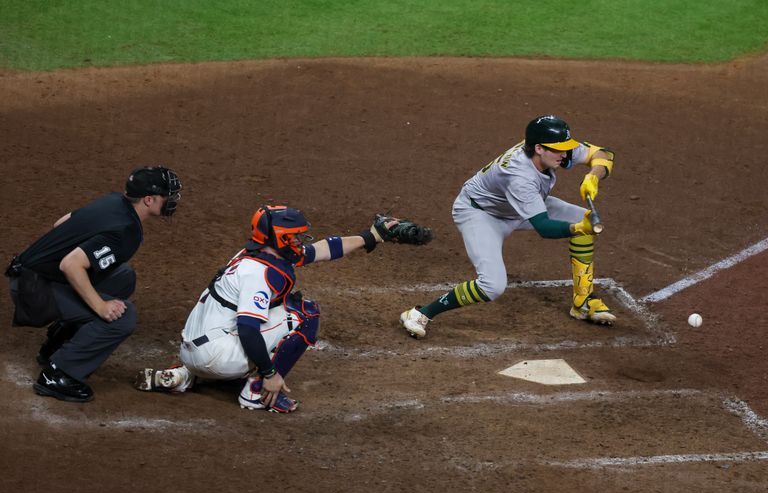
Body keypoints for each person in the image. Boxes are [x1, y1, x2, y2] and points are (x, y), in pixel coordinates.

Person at [135, 206, 405, 413]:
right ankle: (255, 392)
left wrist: (372, 236)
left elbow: (322, 249)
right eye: (296, 236)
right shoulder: (261, 273)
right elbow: (248, 330)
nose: (301, 240)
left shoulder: (253, 254)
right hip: (217, 357)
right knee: (306, 313)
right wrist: (270, 374)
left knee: (251, 313)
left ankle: (184, 375)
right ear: (281, 238)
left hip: (191, 350)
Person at [400, 115, 616, 338]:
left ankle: (583, 302)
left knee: (581, 216)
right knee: (492, 286)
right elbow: (544, 227)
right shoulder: (519, 176)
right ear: (539, 148)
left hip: (517, 206)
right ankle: (419, 314)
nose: (565, 154)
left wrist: (594, 175)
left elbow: (603, 154)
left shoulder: (550, 149)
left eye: (566, 148)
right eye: (559, 149)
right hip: (481, 214)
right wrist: (579, 228)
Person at [5, 166, 182, 402]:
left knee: (123, 276)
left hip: (31, 275)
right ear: (149, 200)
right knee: (123, 317)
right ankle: (58, 374)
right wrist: (100, 306)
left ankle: (60, 341)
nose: (172, 200)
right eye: (166, 196)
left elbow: (62, 223)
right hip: (33, 290)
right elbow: (70, 265)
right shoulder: (126, 231)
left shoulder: (114, 201)